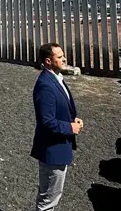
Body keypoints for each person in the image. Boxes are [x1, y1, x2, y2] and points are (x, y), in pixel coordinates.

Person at [30, 43, 83, 211]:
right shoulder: (46, 85)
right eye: (59, 57)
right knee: (49, 200)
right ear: (48, 61)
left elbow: (60, 106)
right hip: (52, 150)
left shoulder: (56, 78)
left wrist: (72, 118)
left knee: (50, 195)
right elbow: (47, 121)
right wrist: (70, 128)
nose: (64, 59)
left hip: (58, 147)